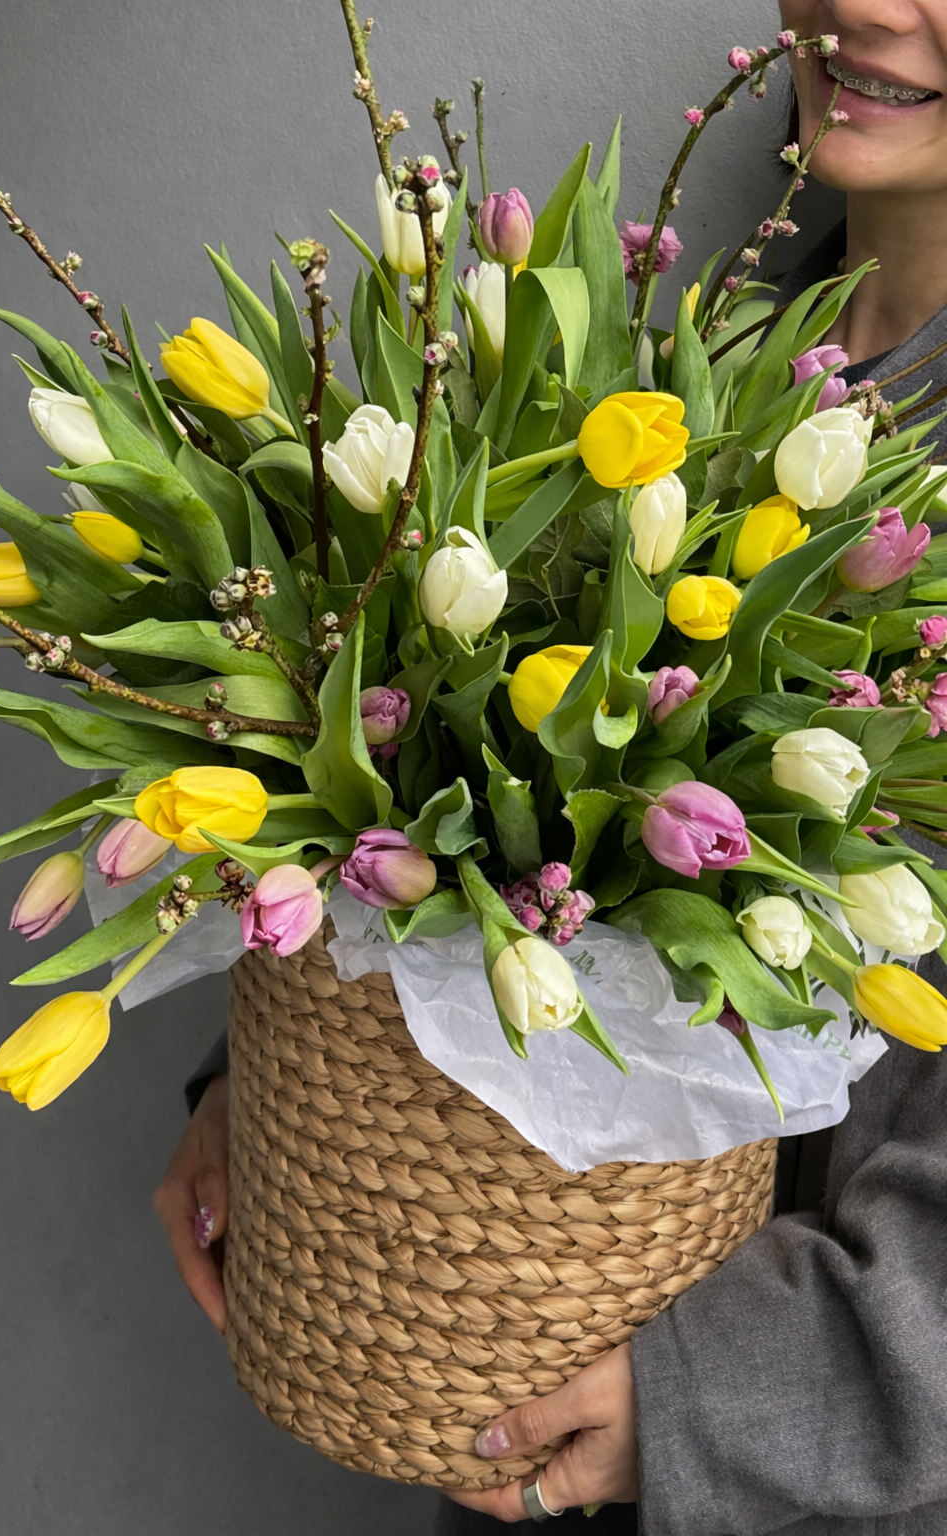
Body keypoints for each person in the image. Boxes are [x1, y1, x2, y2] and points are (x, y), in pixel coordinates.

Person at [155, 3, 947, 1529]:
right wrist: (269, 1083)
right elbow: (437, 798)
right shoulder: (678, 354)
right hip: (515, 1379)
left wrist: (740, 1390)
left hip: (809, 1482)